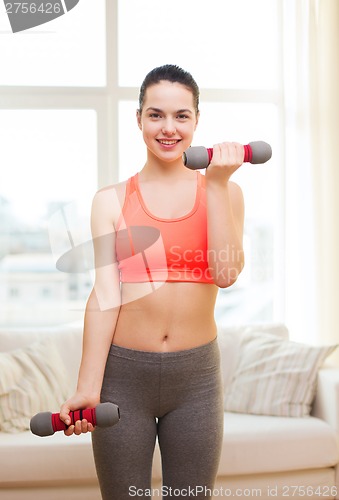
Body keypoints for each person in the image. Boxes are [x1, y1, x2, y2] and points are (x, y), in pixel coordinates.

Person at [60, 64, 245, 499]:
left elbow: (226, 274)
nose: (168, 128)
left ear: (197, 120)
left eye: (181, 116)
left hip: (196, 378)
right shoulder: (111, 200)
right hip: (124, 378)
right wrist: (87, 388)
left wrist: (217, 185)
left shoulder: (226, 191)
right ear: (139, 119)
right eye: (156, 114)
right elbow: (106, 296)